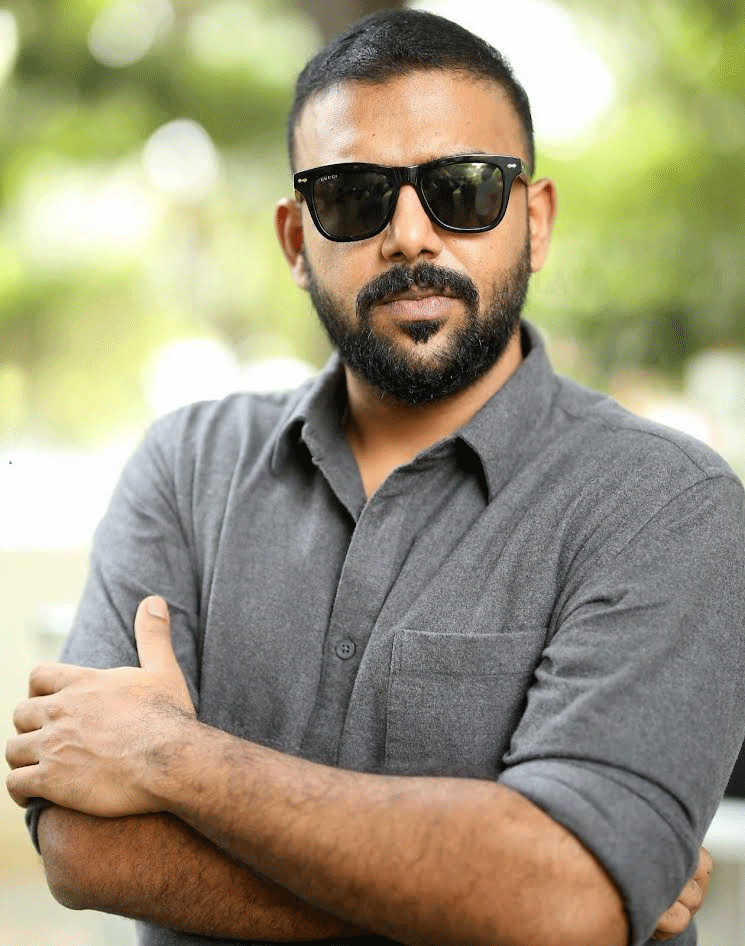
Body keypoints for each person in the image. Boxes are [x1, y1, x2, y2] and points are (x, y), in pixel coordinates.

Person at [5, 9, 742, 946]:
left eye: (463, 189)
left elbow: (563, 901)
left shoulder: (664, 503)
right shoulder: (186, 467)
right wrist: (508, 896)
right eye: (352, 198)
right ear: (293, 241)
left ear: (535, 221)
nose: (409, 237)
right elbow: (84, 851)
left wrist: (171, 759)